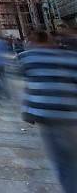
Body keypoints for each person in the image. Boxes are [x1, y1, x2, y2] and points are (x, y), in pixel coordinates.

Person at [18, 30, 77, 192]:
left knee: (64, 165)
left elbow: (28, 80)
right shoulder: (71, 57)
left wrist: (28, 110)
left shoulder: (27, 57)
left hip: (51, 118)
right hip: (72, 115)